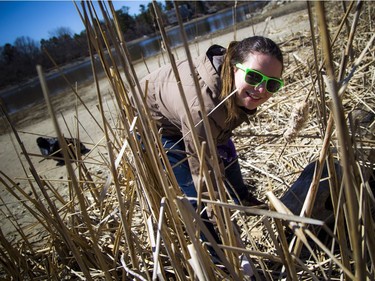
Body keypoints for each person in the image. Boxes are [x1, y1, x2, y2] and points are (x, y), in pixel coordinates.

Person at [138, 36, 284, 209]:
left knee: (224, 149)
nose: (261, 89)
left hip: (187, 113)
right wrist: (224, 225)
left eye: (272, 84)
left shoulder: (230, 88)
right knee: (195, 189)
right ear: (233, 68)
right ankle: (209, 234)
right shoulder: (203, 109)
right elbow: (204, 179)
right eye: (253, 77)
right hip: (154, 122)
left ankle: (242, 198)